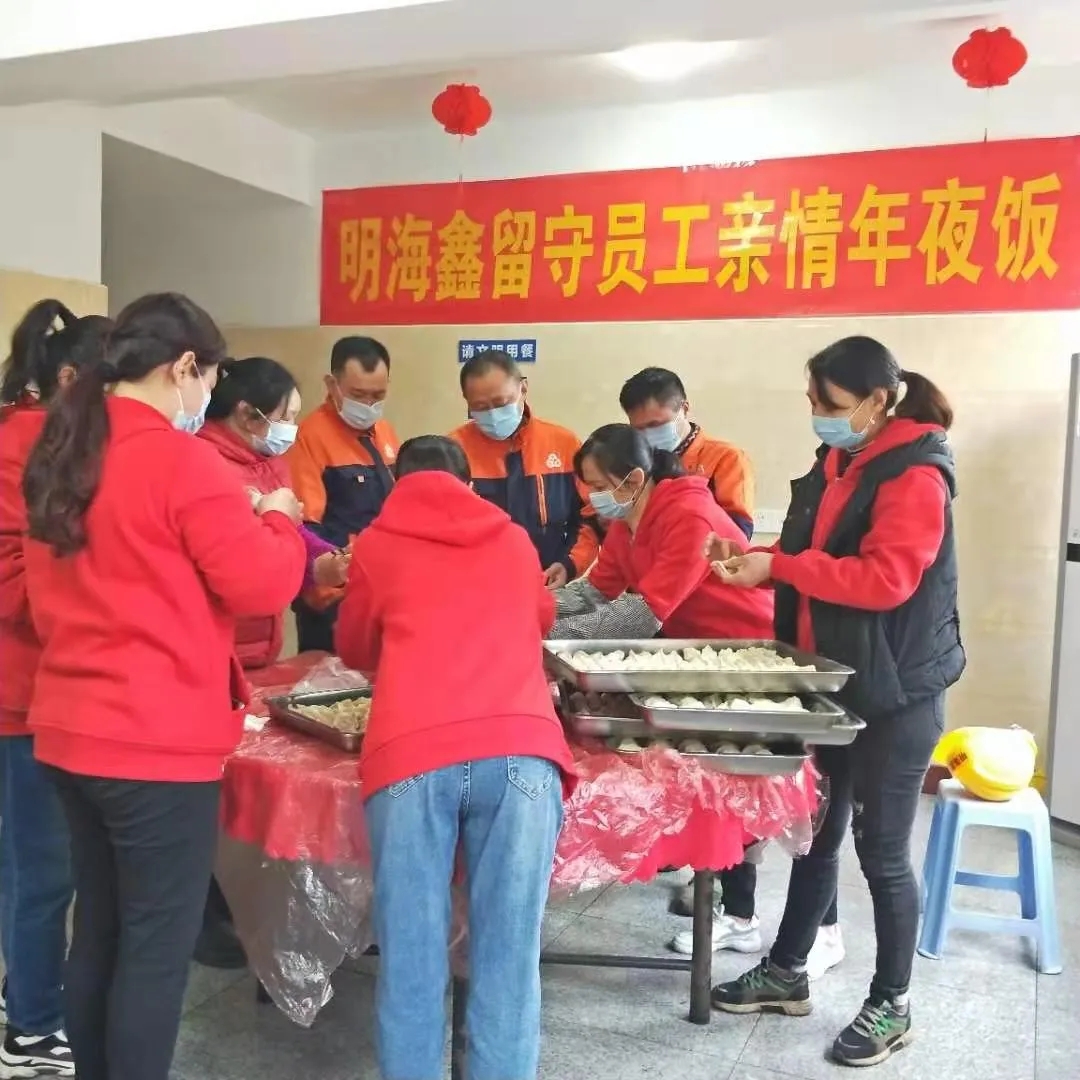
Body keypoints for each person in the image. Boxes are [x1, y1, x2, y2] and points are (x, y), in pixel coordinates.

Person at [20, 292, 307, 1080]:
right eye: (209, 378)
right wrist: (278, 517)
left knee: (101, 930)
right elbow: (261, 583)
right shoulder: (183, 462)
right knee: (154, 946)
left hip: (68, 731)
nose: (207, 396)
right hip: (153, 746)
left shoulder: (62, 454)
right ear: (184, 367)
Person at [709, 336, 964, 1068]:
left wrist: (781, 567)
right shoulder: (840, 461)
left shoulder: (915, 475)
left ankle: (893, 1003)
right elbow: (813, 553)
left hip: (897, 691)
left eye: (830, 403)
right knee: (817, 833)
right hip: (835, 680)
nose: (817, 413)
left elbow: (884, 581)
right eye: (813, 400)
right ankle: (787, 971)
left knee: (881, 852)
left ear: (879, 402)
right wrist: (757, 564)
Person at [335, 435, 574, 1080]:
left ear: (398, 483)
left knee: (412, 955)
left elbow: (355, 646)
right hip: (520, 750)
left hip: (411, 756)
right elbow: (540, 618)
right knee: (509, 955)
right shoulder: (513, 538)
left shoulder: (377, 544)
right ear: (469, 484)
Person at [194, 355, 349, 970]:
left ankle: (239, 901)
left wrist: (323, 561)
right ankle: (205, 913)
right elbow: (240, 549)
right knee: (211, 782)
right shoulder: (202, 464)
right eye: (285, 416)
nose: (290, 429)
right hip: (217, 640)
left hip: (261, 639)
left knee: (243, 771)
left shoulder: (264, 460)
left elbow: (291, 528)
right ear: (246, 413)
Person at [0, 300, 111, 1079]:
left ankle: (25, 997)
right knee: (43, 870)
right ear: (72, 378)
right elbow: (14, 577)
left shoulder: (58, 441)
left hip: (52, 686)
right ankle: (33, 1027)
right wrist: (107, 596)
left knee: (31, 863)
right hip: (24, 692)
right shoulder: (24, 446)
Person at [554, 424, 772, 643]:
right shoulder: (624, 524)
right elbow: (593, 592)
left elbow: (642, 616)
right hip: (691, 641)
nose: (592, 497)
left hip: (747, 642)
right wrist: (538, 607)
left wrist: (545, 632)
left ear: (634, 480)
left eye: (599, 487)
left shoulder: (691, 517)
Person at [288, 335, 398, 652]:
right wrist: (331, 596)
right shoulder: (309, 438)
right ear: (332, 384)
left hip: (382, 596)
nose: (369, 405)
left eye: (378, 395)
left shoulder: (384, 432)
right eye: (358, 395)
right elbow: (304, 529)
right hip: (335, 603)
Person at [450, 352, 598, 587]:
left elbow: (589, 516)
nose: (493, 415)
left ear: (524, 388)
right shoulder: (453, 451)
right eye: (480, 407)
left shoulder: (564, 444)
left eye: (501, 403)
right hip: (476, 587)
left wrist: (570, 564)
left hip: (548, 582)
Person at [619, 366, 755, 538]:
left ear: (684, 408)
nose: (648, 435)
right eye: (639, 429)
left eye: (655, 425)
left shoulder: (727, 458)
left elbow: (737, 534)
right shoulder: (634, 462)